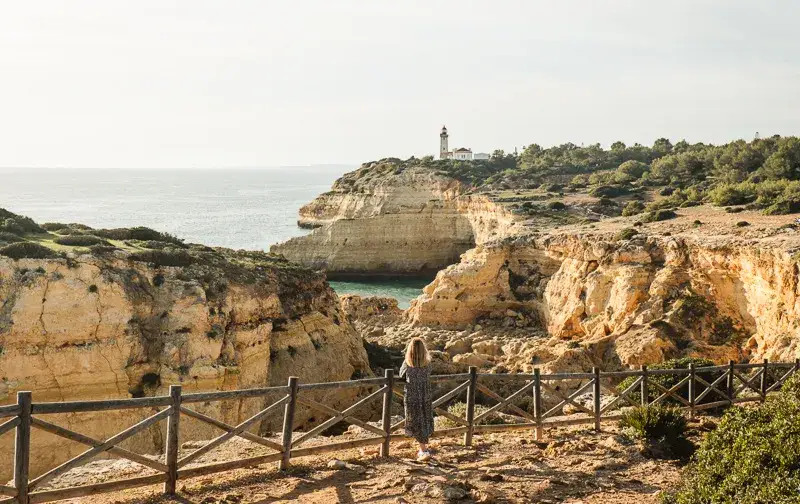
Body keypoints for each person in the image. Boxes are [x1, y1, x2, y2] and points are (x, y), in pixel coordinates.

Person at [399, 337, 434, 462]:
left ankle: (423, 450)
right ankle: (424, 448)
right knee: (424, 419)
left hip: (412, 397)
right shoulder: (427, 365)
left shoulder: (407, 365)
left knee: (415, 421)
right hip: (425, 396)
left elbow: (400, 375)